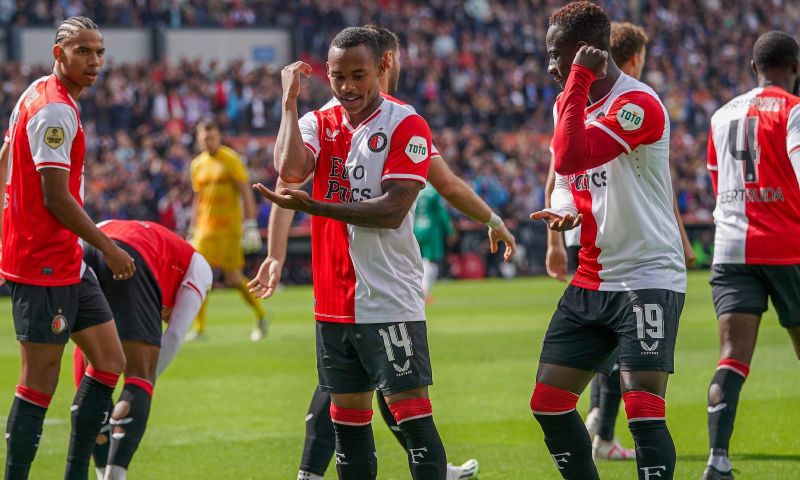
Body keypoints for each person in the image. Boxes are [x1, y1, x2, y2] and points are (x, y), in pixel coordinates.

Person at [249, 25, 514, 480]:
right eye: (337, 77)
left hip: (388, 297)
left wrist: (314, 205)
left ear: (380, 68)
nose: (348, 87)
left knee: (412, 420)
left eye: (358, 75)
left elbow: (392, 210)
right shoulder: (318, 120)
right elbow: (290, 170)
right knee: (349, 424)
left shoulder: (405, 124)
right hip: (332, 301)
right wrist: (289, 104)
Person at [529, 2, 686, 479]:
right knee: (549, 403)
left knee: (642, 411)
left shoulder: (638, 103)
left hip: (647, 276)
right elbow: (565, 175)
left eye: (557, 55)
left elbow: (573, 155)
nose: (551, 66)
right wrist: (565, 207)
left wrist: (576, 80)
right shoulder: (567, 101)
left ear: (585, 52)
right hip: (593, 277)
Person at [0, 16, 137, 480]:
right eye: (82, 51)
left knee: (110, 361)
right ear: (58, 54)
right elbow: (55, 198)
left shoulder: (36, 91)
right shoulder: (54, 109)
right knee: (39, 383)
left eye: (99, 51)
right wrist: (109, 248)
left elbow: (4, 159)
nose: (94, 61)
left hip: (65, 260)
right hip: (41, 263)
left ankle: (76, 473)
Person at [702, 31, 800, 480]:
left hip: (731, 248)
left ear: (753, 68)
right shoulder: (793, 110)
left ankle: (717, 460)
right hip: (787, 247)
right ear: (795, 69)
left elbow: (716, 180)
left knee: (732, 356)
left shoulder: (721, 115)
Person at [72, 219, 212, 480]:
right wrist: (139, 386)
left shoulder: (132, 228)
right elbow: (174, 335)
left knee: (91, 373)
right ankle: (114, 476)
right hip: (132, 257)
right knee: (140, 376)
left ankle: (99, 474)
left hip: (87, 245)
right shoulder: (199, 267)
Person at [186, 120, 268, 342]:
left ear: (218, 137)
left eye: (211, 137)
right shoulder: (197, 164)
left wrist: (250, 224)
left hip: (229, 229)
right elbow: (197, 198)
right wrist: (192, 227)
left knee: (233, 278)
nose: (207, 141)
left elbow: (245, 192)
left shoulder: (231, 159)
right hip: (204, 230)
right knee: (198, 275)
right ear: (198, 139)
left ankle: (260, 315)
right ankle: (199, 328)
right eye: (204, 138)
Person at [413, 183, 455, 301]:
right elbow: (442, 213)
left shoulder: (417, 191)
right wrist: (450, 230)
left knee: (417, 260)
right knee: (430, 261)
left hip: (416, 228)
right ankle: (425, 293)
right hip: (431, 230)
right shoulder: (434, 192)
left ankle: (416, 291)